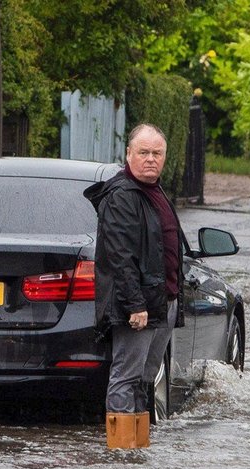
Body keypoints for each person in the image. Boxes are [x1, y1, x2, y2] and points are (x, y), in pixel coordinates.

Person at [83, 124, 186, 449]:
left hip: (162, 302)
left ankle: (138, 449)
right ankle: (121, 455)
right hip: (138, 307)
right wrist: (135, 305)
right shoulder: (123, 195)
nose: (150, 159)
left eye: (157, 153)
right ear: (129, 155)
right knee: (126, 377)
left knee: (144, 379)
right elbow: (120, 257)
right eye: (143, 152)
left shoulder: (153, 191)